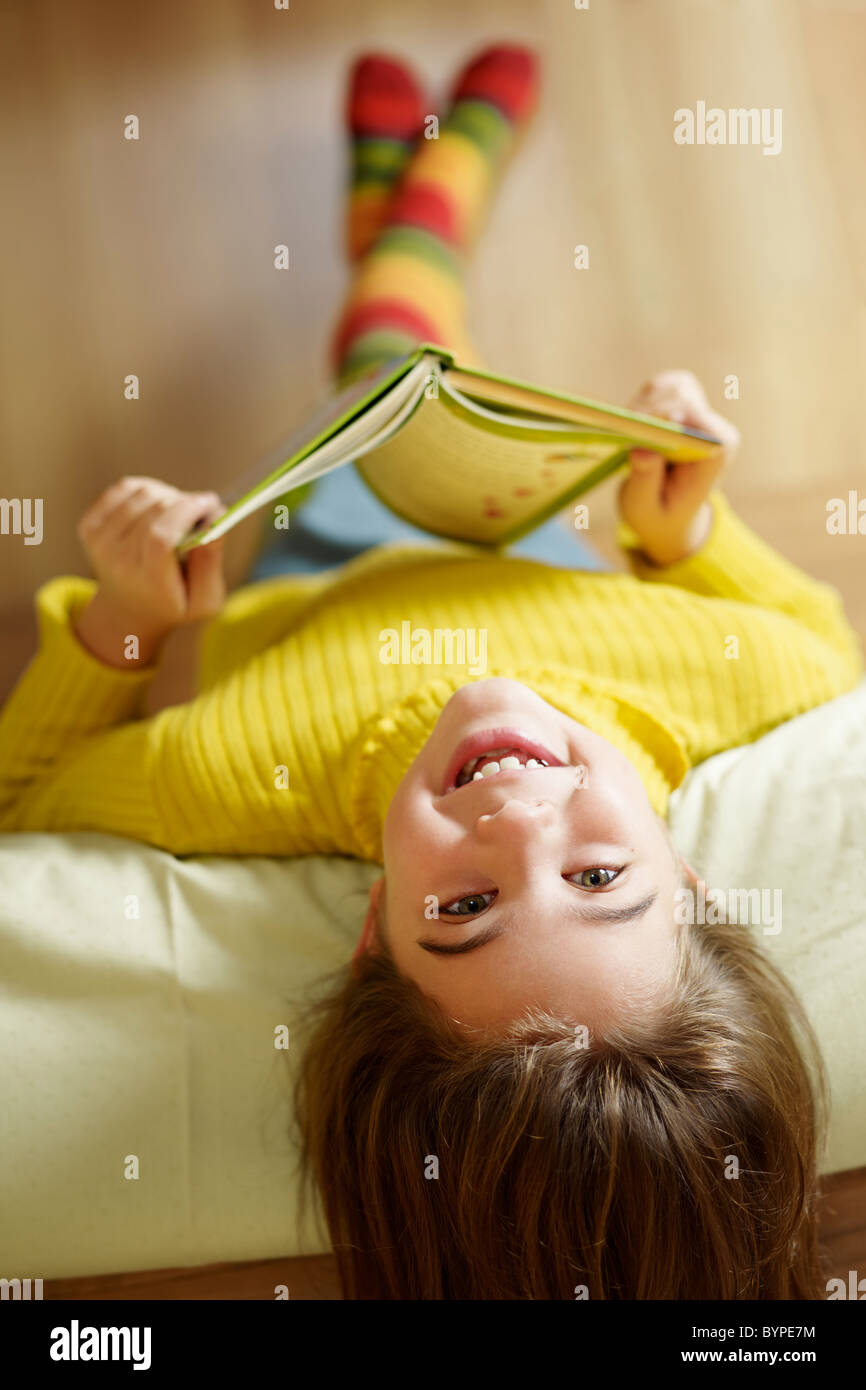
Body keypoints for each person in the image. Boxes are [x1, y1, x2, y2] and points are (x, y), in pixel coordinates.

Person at [0, 45, 861, 1299]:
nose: (515, 827)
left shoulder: (231, 782)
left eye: (461, 911)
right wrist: (682, 535)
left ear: (367, 940)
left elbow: (27, 795)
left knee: (381, 376)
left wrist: (127, 621)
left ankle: (417, 219)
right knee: (420, 378)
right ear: (688, 875)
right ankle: (406, 225)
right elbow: (816, 642)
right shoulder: (737, 690)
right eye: (599, 875)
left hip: (316, 553)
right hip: (519, 524)